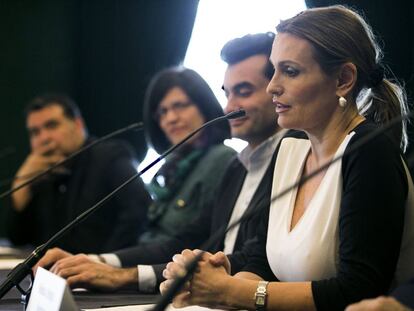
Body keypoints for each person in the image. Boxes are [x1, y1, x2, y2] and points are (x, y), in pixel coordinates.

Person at [161, 5, 414, 311]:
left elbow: (357, 290)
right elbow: (262, 259)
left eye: (290, 71)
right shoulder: (291, 149)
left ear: (343, 79)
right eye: (274, 69)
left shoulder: (369, 151)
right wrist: (212, 284)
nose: (272, 86)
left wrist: (231, 293)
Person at [34, 33, 286, 293]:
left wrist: (120, 274)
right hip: (193, 285)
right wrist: (99, 262)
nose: (230, 107)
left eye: (180, 106)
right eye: (162, 112)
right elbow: (185, 240)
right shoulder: (236, 167)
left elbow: (210, 250)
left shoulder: (227, 160)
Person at [6, 94, 151, 253]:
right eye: (35, 132)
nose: (43, 138)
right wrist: (21, 187)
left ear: (78, 124)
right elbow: (18, 240)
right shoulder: (40, 174)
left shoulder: (110, 156)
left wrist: (104, 263)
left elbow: (138, 211)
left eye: (52, 126)